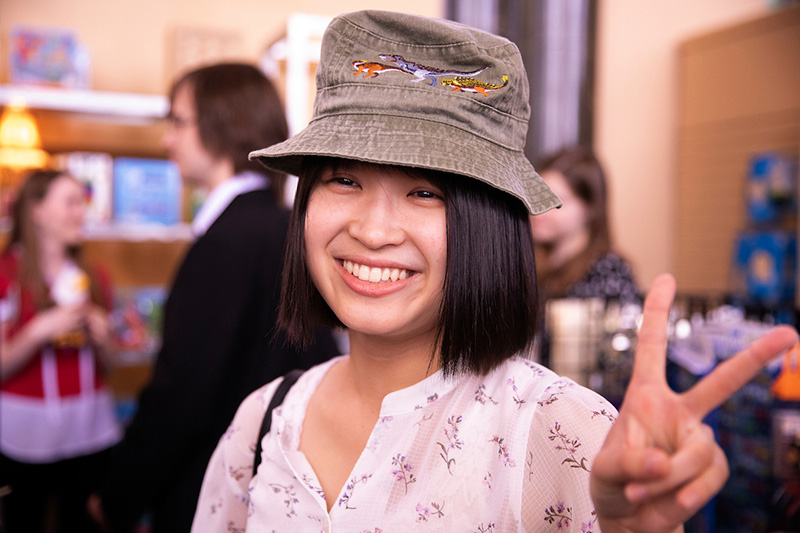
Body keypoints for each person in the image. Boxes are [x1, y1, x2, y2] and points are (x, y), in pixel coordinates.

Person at [190, 11, 798, 532]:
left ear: (490, 226)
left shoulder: (562, 431)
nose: (373, 231)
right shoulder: (265, 418)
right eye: (344, 179)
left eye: (426, 192)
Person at [96, 63, 340, 532]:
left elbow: (183, 395)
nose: (168, 140)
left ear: (224, 122)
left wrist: (116, 499)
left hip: (215, 490)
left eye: (178, 122)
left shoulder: (225, 243)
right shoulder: (285, 226)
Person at [0, 169, 118, 533]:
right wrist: (40, 329)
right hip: (25, 436)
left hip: (91, 432)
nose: (81, 212)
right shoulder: (7, 274)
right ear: (36, 211)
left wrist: (103, 339)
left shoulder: (93, 277)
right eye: (70, 202)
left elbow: (110, 368)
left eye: (81, 202)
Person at [530, 146, 640, 304]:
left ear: (589, 207)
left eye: (555, 202)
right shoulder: (528, 264)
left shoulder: (608, 272)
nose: (538, 212)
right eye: (535, 198)